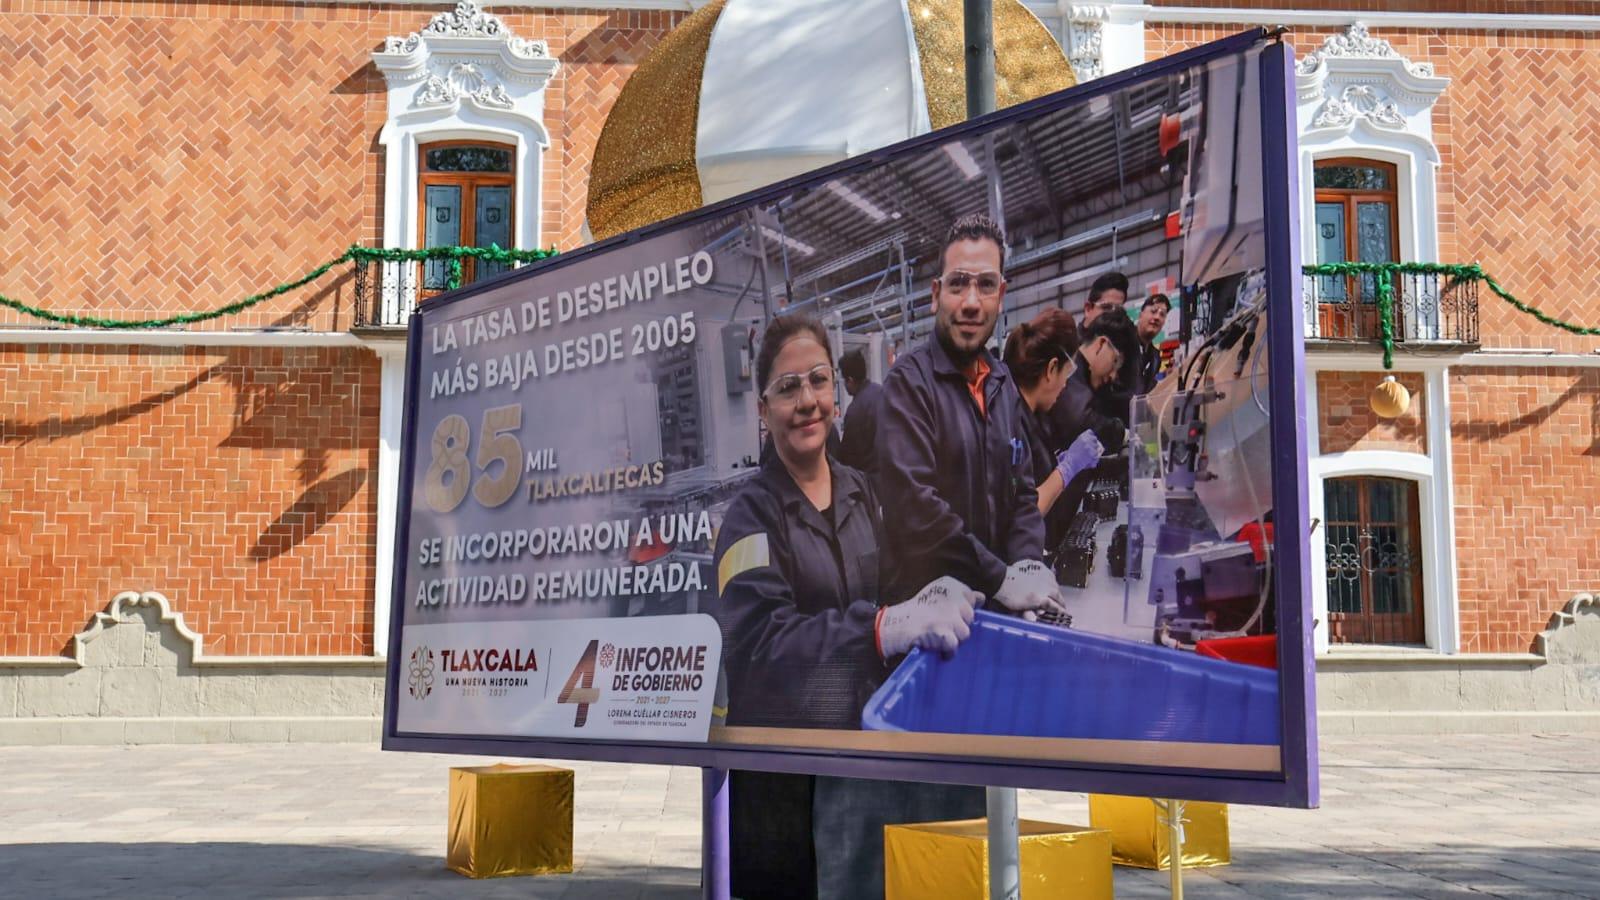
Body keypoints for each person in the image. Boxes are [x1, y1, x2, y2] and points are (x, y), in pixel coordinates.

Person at [712, 314, 986, 900]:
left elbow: (892, 591)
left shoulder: (864, 494)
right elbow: (757, 652)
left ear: (835, 389)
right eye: (788, 388)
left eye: (817, 380)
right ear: (763, 410)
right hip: (782, 793)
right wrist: (882, 628)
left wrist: (935, 596)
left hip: (859, 776)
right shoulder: (748, 520)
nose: (806, 400)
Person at [878, 212, 1065, 618]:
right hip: (930, 620)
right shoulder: (908, 386)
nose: (971, 302)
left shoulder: (1002, 384)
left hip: (998, 607)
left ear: (1001, 294)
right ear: (935, 294)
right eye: (958, 283)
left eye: (986, 285)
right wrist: (1002, 579)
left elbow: (1022, 493)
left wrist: (1027, 564)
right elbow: (917, 514)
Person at [1002, 309, 1104, 544]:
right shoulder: (1011, 422)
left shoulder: (1031, 415)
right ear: (1051, 369)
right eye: (1067, 375)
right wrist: (1067, 469)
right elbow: (1022, 514)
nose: (1065, 385)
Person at [1043, 312, 1141, 536]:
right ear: (1101, 344)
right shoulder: (1071, 371)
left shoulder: (1085, 378)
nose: (1114, 375)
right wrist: (1123, 434)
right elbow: (1080, 421)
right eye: (1115, 362)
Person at [836, 349, 883, 483]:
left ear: (850, 380)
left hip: (870, 484)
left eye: (844, 381)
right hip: (891, 478)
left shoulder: (855, 411)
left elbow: (847, 458)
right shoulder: (882, 392)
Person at [1135, 293, 1171, 393]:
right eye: (1153, 311)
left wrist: (1168, 382)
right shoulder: (1122, 343)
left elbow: (1147, 391)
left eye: (1162, 314)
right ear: (1140, 315)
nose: (1157, 317)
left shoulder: (1155, 357)